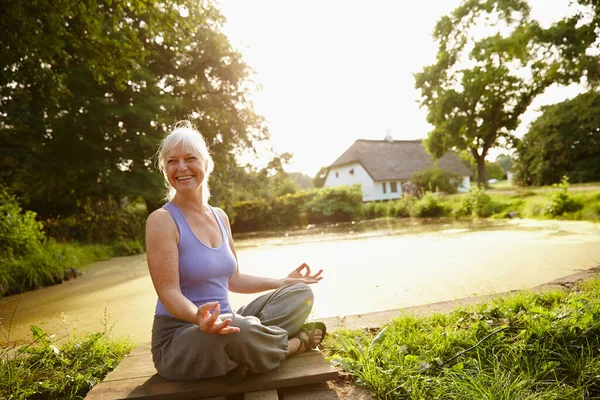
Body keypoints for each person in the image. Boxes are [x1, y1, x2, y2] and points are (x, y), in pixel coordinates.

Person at [145, 121, 326, 381]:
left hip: (225, 324)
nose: (181, 167)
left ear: (206, 164)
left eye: (190, 158)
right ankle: (292, 346)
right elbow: (169, 292)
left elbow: (234, 279)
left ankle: (247, 352)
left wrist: (284, 281)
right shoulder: (161, 220)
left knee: (299, 293)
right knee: (239, 327)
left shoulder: (220, 217)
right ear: (165, 170)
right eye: (172, 161)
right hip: (179, 340)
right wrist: (199, 317)